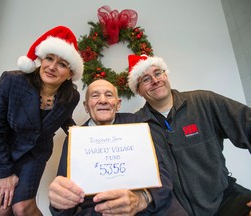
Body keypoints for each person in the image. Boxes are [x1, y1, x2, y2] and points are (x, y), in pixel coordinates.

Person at [127, 54, 251, 216]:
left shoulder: (203, 102)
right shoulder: (137, 126)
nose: (155, 80)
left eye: (157, 73)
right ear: (138, 90)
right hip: (175, 212)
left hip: (224, 201)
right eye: (145, 79)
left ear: (165, 75)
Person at [0, 26, 84, 216]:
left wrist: (85, 137)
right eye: (49, 58)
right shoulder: (12, 81)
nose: (52, 67)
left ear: (70, 73)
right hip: (2, 151)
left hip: (35, 154)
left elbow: (64, 118)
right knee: (3, 208)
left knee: (23, 208)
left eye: (62, 64)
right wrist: (4, 172)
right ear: (40, 59)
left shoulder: (72, 96)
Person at [48, 79, 188, 215]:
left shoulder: (136, 124)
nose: (103, 100)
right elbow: (65, 202)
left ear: (118, 104)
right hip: (98, 210)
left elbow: (161, 173)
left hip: (147, 207)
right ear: (86, 106)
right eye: (95, 95)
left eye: (109, 95)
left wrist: (141, 199)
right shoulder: (75, 138)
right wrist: (58, 201)